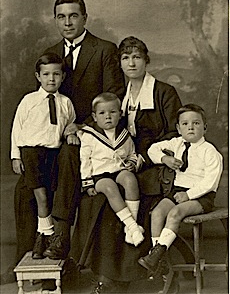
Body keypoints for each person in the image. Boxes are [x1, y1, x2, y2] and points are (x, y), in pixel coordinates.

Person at [10, 0, 125, 271]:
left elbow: (113, 95)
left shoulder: (104, 50)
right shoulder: (50, 54)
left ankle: (59, 235)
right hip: (51, 140)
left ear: (84, 18)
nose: (68, 22)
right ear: (55, 21)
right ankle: (27, 255)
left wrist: (83, 125)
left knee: (69, 155)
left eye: (73, 16)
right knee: (25, 185)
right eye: (61, 17)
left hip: (91, 134)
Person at [71, 36, 182, 293]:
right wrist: (76, 126)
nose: (131, 63)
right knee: (96, 200)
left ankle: (140, 276)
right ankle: (107, 278)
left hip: (155, 164)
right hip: (121, 167)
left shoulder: (164, 92)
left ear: (146, 60)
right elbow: (100, 121)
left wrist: (142, 157)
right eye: (125, 58)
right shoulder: (119, 95)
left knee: (130, 194)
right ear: (119, 63)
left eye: (136, 57)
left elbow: (175, 135)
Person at [138, 104, 223, 274]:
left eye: (196, 123)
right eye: (185, 124)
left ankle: (155, 257)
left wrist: (189, 195)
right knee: (157, 213)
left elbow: (210, 182)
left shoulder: (210, 152)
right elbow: (152, 149)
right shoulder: (176, 143)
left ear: (204, 127)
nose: (190, 127)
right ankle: (158, 258)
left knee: (175, 213)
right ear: (178, 128)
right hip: (177, 191)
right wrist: (164, 159)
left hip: (200, 196)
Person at [11, 53, 77, 259]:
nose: (51, 79)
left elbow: (70, 125)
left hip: (54, 154)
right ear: (38, 77)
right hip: (30, 153)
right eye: (46, 74)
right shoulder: (29, 100)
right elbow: (17, 128)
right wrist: (16, 156)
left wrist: (72, 132)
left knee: (49, 196)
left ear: (63, 77)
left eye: (56, 74)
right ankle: (44, 234)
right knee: (41, 198)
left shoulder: (66, 102)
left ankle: (44, 235)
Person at [80, 92, 144, 246]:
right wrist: (87, 183)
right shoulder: (89, 136)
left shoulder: (125, 136)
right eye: (102, 113)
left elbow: (132, 154)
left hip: (119, 171)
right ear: (95, 117)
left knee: (129, 178)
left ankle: (130, 227)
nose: (107, 116)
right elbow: (85, 161)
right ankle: (132, 226)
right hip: (99, 176)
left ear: (120, 114)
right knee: (109, 186)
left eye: (112, 112)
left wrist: (132, 163)